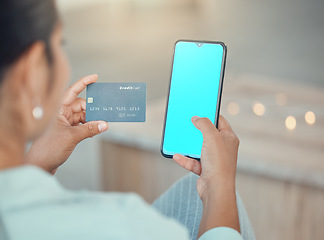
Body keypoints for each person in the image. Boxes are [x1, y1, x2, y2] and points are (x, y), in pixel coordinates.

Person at [0, 0, 255, 239]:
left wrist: (35, 166)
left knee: (191, 189)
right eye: (60, 43)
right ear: (31, 71)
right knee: (212, 198)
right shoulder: (125, 224)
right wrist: (221, 186)